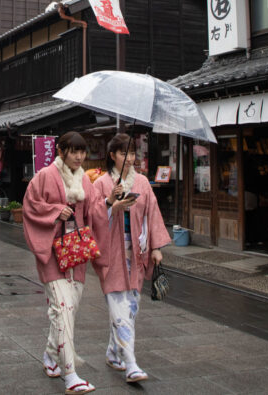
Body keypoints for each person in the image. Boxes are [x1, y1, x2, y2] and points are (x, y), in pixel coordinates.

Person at [22, 131, 106, 394]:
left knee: (67, 311)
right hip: (52, 253)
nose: (80, 156)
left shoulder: (85, 179)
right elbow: (31, 205)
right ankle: (70, 374)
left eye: (83, 151)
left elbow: (95, 211)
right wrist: (57, 211)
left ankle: (50, 355)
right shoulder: (45, 176)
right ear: (61, 151)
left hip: (76, 254)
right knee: (62, 308)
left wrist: (112, 202)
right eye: (74, 151)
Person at [92, 133, 171, 384]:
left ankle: (114, 352)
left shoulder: (143, 184)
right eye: (124, 153)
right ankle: (131, 363)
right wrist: (109, 204)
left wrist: (157, 246)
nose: (129, 159)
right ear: (112, 155)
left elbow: (152, 213)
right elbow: (91, 216)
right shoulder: (102, 183)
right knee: (120, 308)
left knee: (132, 307)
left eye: (133, 153)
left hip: (137, 252)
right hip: (111, 253)